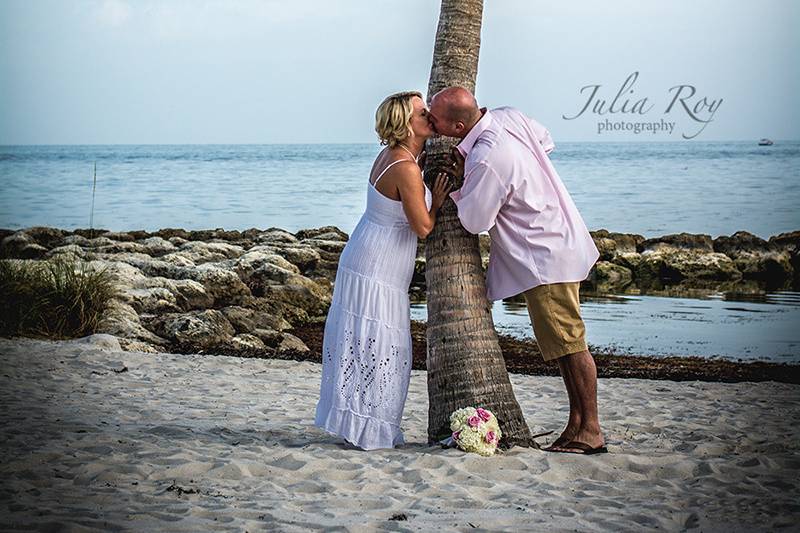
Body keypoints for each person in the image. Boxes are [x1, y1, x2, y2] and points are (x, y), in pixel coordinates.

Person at [427, 87, 606, 455]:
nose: (431, 120)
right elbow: (546, 141)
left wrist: (466, 184)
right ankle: (576, 423)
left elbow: (475, 220)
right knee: (562, 345)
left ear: (457, 125)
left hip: (544, 256)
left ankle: (591, 429)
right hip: (556, 238)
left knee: (571, 344)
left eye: (436, 117)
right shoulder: (509, 116)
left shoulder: (487, 157)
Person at [314, 91, 452, 450]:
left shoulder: (395, 156)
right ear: (407, 124)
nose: (430, 115)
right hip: (377, 266)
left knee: (366, 344)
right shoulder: (405, 167)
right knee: (379, 344)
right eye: (423, 112)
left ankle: (360, 426)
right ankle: (370, 430)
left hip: (371, 255)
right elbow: (422, 227)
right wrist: (436, 202)